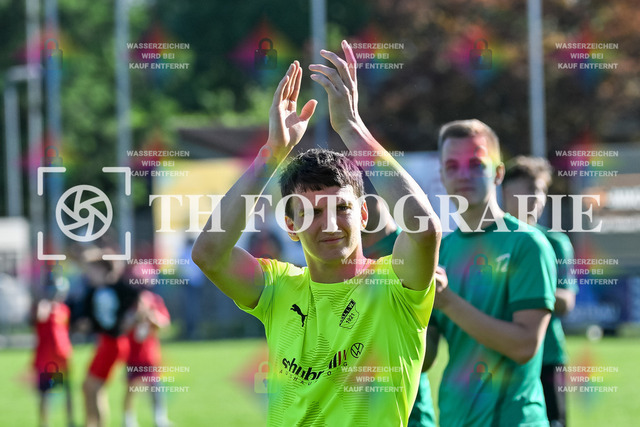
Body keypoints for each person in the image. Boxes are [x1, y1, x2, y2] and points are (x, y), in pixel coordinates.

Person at [192, 41, 441, 425]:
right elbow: (209, 254)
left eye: (341, 208)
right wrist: (271, 154)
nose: (329, 224)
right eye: (311, 212)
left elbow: (423, 230)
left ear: (363, 214)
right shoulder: (277, 288)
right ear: (290, 225)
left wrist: (351, 128)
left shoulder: (396, 285)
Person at [424, 119, 557, 426]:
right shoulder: (440, 251)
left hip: (514, 420)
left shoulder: (527, 243)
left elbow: (524, 345)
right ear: (442, 176)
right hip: (454, 418)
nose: (463, 175)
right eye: (453, 166)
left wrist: (447, 302)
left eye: (476, 165)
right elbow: (425, 358)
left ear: (498, 173)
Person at [502, 156, 577, 427]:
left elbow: (567, 302)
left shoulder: (556, 242)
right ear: (504, 192)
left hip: (547, 356)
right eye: (528, 190)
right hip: (498, 355)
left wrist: (526, 285)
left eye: (541, 190)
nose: (536, 198)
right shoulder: (488, 242)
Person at [81, 247, 139, 427]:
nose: (88, 274)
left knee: (95, 387)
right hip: (104, 342)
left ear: (101, 270)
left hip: (114, 343)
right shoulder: (93, 290)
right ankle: (91, 423)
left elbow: (140, 301)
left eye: (91, 270)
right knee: (88, 387)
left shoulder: (119, 287)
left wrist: (130, 320)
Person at [124, 290, 171, 427]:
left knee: (155, 388)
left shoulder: (155, 304)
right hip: (133, 357)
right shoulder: (129, 309)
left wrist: (153, 319)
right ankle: (128, 420)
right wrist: (135, 319)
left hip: (150, 356)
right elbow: (124, 327)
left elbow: (165, 325)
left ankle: (160, 418)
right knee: (132, 389)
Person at [33, 271, 74, 427]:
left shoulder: (64, 309)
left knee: (65, 391)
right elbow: (39, 317)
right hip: (46, 360)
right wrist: (45, 304)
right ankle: (44, 423)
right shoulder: (44, 307)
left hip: (61, 358)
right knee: (45, 393)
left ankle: (70, 421)